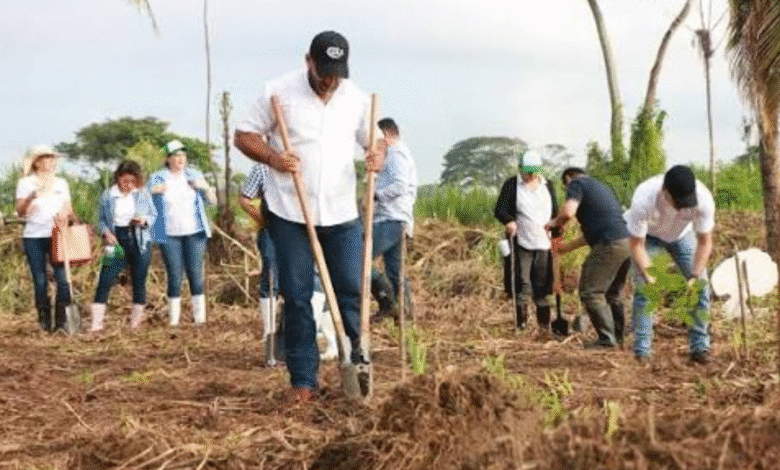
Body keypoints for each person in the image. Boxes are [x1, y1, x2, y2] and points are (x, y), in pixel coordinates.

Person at [234, 30, 385, 402]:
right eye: (324, 72)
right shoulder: (278, 92)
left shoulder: (357, 99)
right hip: (290, 211)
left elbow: (376, 140)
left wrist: (377, 154)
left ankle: (357, 366)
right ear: (308, 61)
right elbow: (243, 135)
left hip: (342, 212)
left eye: (337, 73)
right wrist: (273, 158)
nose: (329, 81)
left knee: (352, 289)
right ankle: (303, 380)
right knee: (298, 295)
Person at [238, 162, 339, 361]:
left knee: (311, 277)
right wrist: (263, 220)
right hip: (273, 228)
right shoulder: (263, 167)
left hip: (304, 227)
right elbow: (245, 199)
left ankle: (309, 334)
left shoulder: (309, 163)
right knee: (271, 276)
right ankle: (270, 336)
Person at [625, 165, 714, 364]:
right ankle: (642, 352)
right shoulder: (643, 199)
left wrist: (694, 275)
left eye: (687, 202)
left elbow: (705, 242)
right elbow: (636, 245)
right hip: (649, 237)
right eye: (678, 202)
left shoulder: (704, 199)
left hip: (682, 236)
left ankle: (700, 348)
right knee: (646, 291)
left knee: (701, 287)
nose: (683, 207)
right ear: (665, 192)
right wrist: (651, 277)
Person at [545, 167, 631, 348]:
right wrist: (564, 248)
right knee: (612, 294)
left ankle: (607, 340)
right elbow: (590, 235)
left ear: (568, 178)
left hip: (610, 244)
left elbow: (568, 212)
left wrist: (555, 222)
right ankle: (617, 338)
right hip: (626, 243)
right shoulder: (602, 187)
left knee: (591, 292)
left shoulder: (576, 183)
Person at [148, 140, 216, 326]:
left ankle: (199, 319)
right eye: (176, 156)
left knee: (195, 273)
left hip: (195, 232)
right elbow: (142, 200)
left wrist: (205, 187)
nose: (180, 159)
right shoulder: (158, 177)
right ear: (167, 159)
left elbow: (212, 201)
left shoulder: (194, 175)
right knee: (175, 275)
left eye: (183, 156)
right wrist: (154, 191)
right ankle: (174, 321)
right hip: (169, 233)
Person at [494, 150, 559, 330]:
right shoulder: (512, 185)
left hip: (544, 243)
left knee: (542, 285)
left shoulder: (548, 185)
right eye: (527, 172)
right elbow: (500, 209)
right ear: (521, 169)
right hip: (522, 242)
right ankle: (521, 324)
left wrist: (557, 240)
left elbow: (555, 214)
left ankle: (544, 326)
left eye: (533, 172)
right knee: (523, 283)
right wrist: (509, 221)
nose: (530, 176)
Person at [90, 160, 157, 332]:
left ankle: (134, 325)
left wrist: (143, 220)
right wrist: (106, 233)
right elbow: (101, 220)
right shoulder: (108, 195)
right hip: (116, 240)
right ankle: (96, 325)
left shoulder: (142, 194)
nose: (128, 185)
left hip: (139, 239)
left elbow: (153, 215)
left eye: (132, 182)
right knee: (105, 279)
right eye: (125, 181)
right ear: (118, 178)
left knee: (139, 281)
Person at [15, 145, 74, 332]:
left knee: (63, 279)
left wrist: (64, 215)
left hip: (57, 235)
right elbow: (20, 212)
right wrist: (31, 197)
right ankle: (44, 321)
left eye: (51, 158)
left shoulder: (61, 183)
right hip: (33, 236)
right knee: (40, 280)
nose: (50, 161)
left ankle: (62, 321)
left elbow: (68, 208)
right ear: (37, 162)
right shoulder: (26, 183)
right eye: (46, 158)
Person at [369, 117, 417, 323]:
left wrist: (376, 195)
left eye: (379, 137)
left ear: (387, 134)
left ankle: (387, 303)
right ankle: (405, 313)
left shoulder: (397, 154)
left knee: (359, 258)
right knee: (395, 270)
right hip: (395, 218)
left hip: (391, 217)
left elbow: (400, 186)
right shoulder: (394, 155)